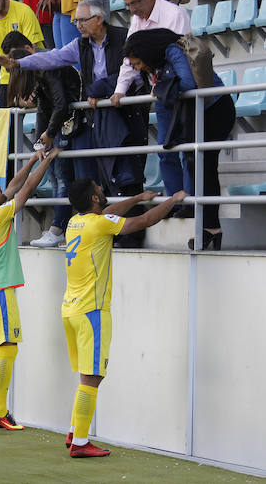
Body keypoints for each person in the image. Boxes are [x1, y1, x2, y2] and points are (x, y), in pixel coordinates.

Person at [0, 1, 147, 247]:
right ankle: (111, 233)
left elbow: (131, 72)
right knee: (110, 177)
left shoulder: (123, 36)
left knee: (128, 171)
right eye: (76, 20)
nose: (77, 25)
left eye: (82, 20)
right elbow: (54, 57)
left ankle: (127, 233)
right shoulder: (80, 44)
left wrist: (103, 90)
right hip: (101, 114)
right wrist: (20, 64)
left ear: (99, 18)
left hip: (128, 110)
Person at [62, 179, 186, 457]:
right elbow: (143, 221)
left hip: (71, 310)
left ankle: (74, 431)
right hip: (91, 311)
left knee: (88, 378)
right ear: (95, 199)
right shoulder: (99, 224)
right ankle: (80, 443)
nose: (102, 192)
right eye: (99, 189)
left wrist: (138, 196)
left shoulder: (76, 222)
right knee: (91, 378)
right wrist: (173, 200)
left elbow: (112, 211)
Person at [0, 147, 60, 431]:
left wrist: (32, 159)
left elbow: (12, 187)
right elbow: (27, 189)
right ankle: (0, 411)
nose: (0, 187)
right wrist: (46, 162)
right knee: (8, 349)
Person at [123, 29, 237, 249]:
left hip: (215, 110)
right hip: (200, 115)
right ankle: (211, 228)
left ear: (146, 53)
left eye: (137, 63)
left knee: (204, 168)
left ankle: (211, 228)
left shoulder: (172, 51)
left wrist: (161, 87)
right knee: (200, 168)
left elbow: (187, 83)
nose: (137, 69)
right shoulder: (159, 63)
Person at [0, 38, 86, 249]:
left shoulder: (47, 69)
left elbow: (61, 104)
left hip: (75, 119)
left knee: (63, 175)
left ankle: (61, 227)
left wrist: (49, 133)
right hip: (62, 123)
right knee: (55, 173)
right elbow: (43, 110)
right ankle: (61, 228)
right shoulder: (37, 76)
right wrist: (40, 143)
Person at [110, 0, 191, 106]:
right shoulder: (136, 19)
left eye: (135, 3)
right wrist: (120, 90)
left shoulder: (175, 15)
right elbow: (129, 59)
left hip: (179, 90)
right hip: (160, 90)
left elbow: (180, 57)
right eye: (128, 5)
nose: (132, 10)